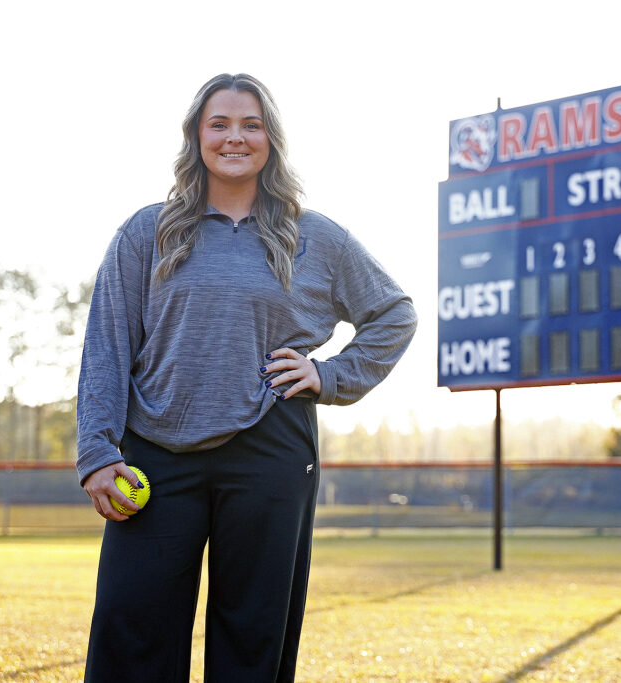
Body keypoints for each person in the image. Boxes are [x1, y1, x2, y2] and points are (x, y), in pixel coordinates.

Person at [76, 73, 417, 682]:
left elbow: (394, 313)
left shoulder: (317, 237)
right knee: (132, 626)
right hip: (155, 453)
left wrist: (329, 374)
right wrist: (98, 451)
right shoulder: (145, 231)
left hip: (270, 445)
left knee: (252, 635)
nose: (236, 137)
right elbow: (107, 343)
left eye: (251, 124)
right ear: (197, 137)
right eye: (220, 123)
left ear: (271, 140)